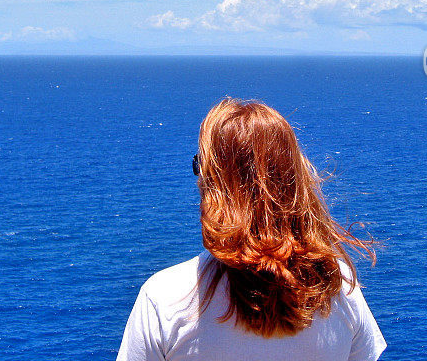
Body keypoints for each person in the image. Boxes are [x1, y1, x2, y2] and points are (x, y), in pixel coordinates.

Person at [116, 97, 387, 361]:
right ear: (294, 177)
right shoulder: (337, 287)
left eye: (199, 165)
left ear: (213, 184)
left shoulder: (165, 298)